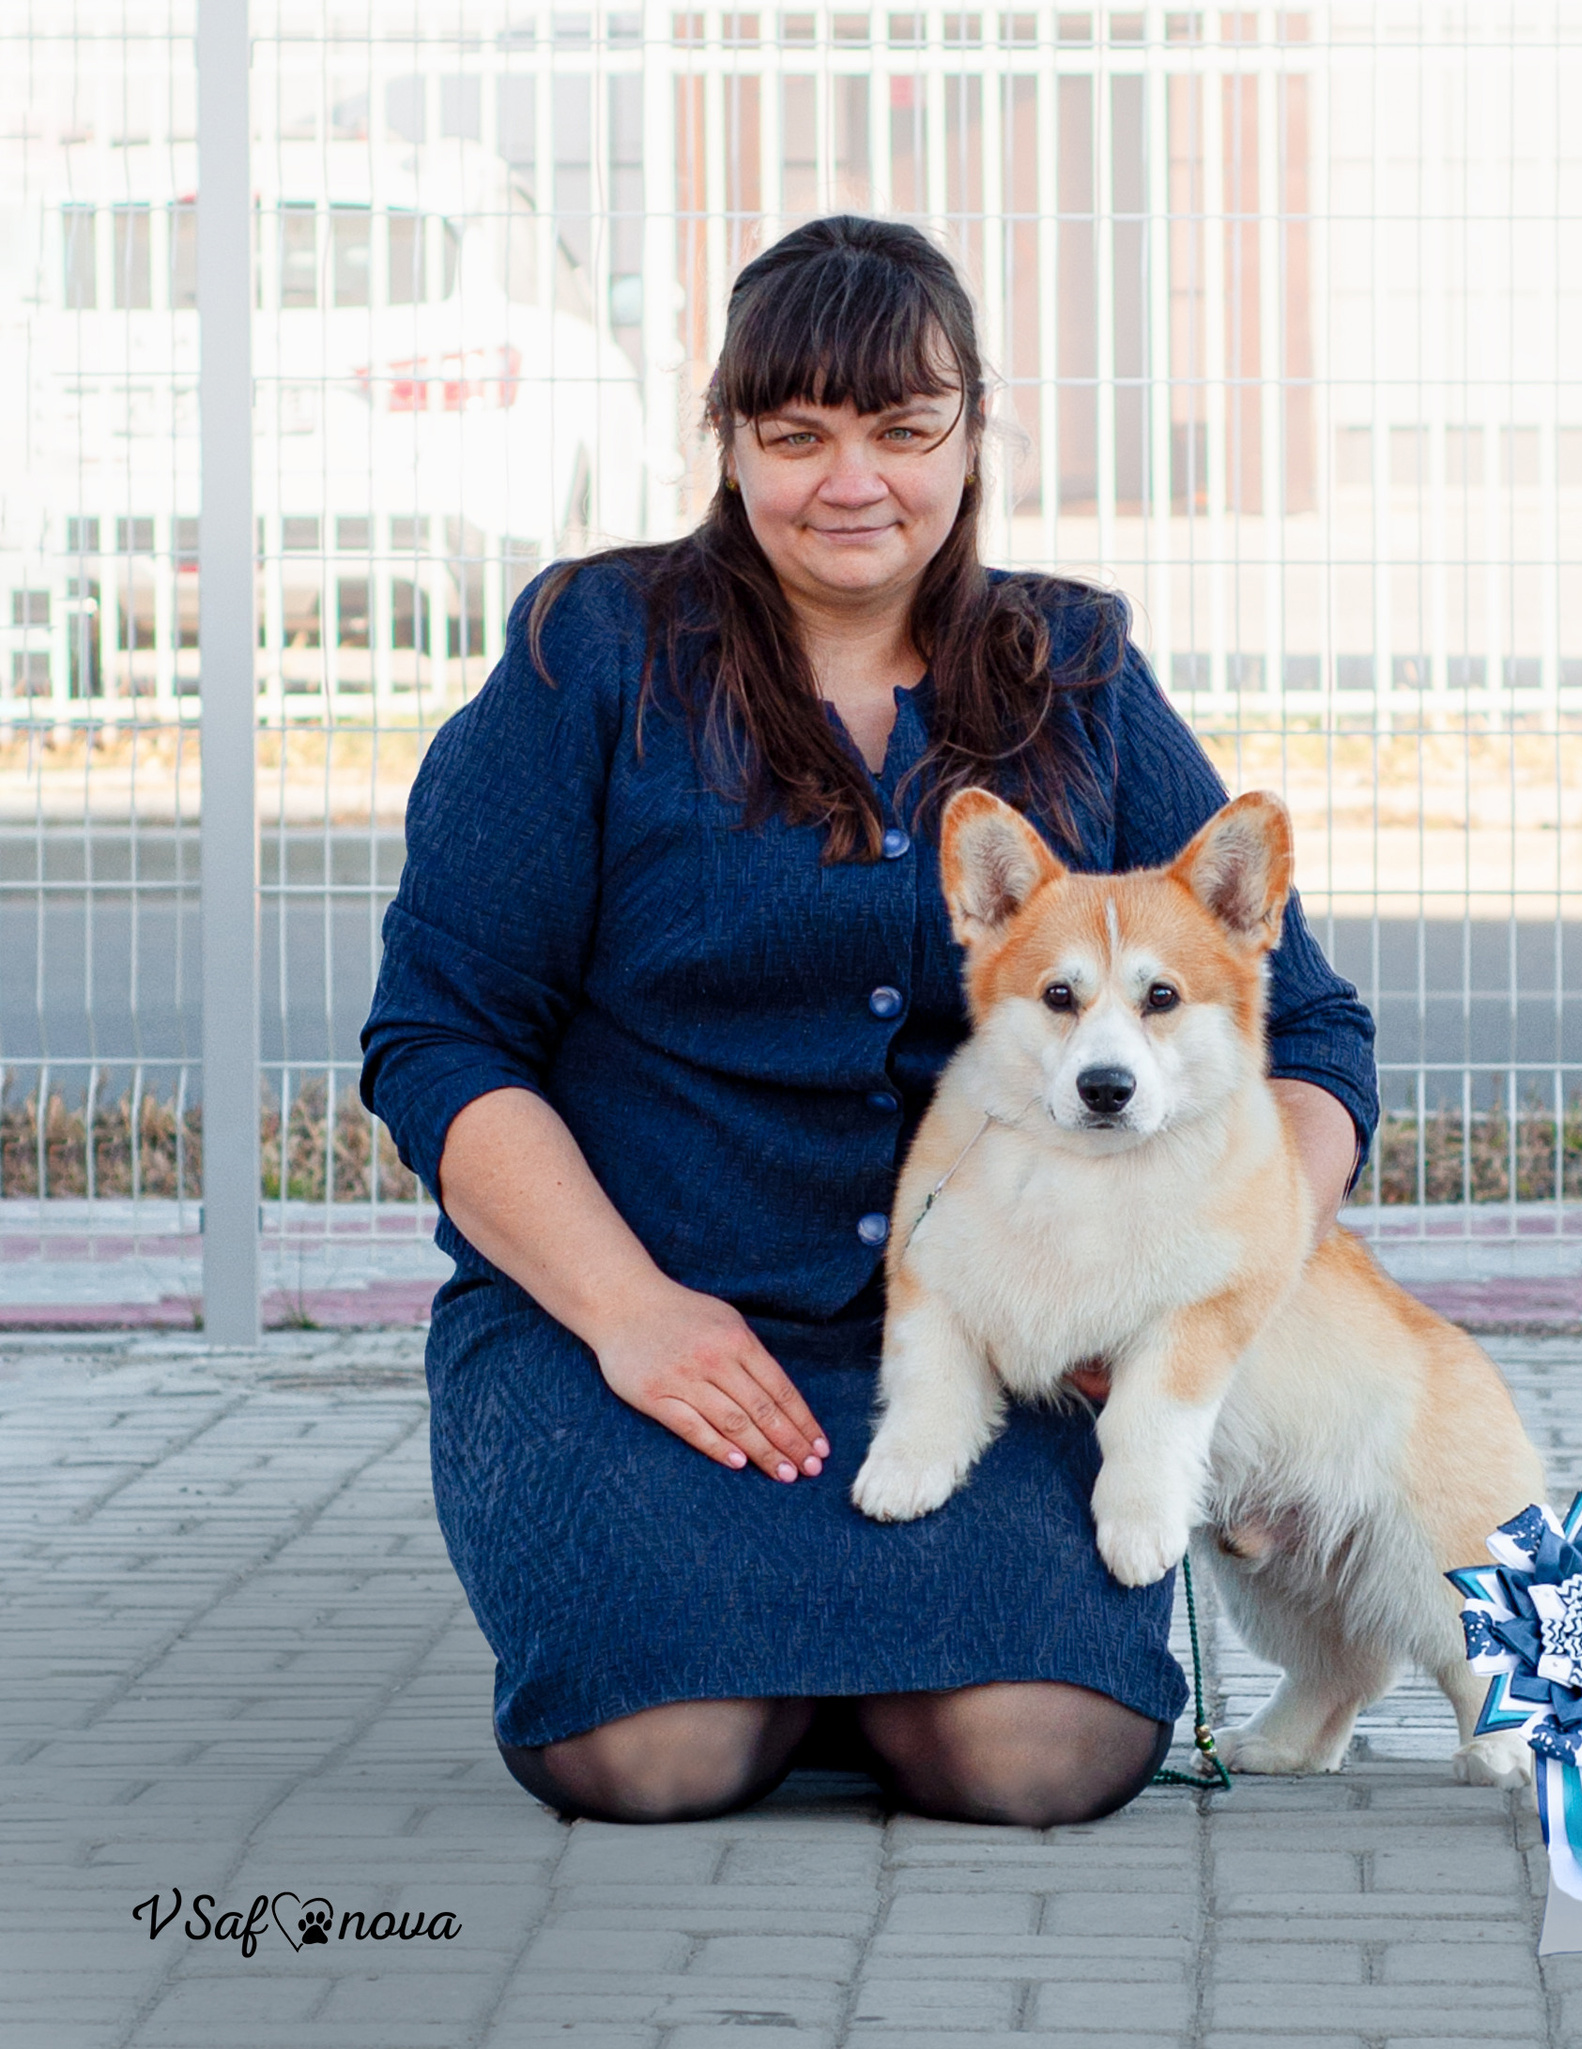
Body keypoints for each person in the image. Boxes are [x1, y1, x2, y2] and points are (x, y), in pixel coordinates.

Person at [360, 216, 1377, 1828]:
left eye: (905, 431)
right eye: (799, 434)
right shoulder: (591, 657)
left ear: (970, 433)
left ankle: (862, 1680)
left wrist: (1205, 1304)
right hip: (633, 1340)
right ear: (729, 441)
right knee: (657, 1757)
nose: (855, 482)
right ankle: (787, 1677)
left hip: (999, 1360)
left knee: (1033, 1755)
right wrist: (629, 1310)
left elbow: (1308, 1039)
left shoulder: (1079, 671)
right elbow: (439, 1039)